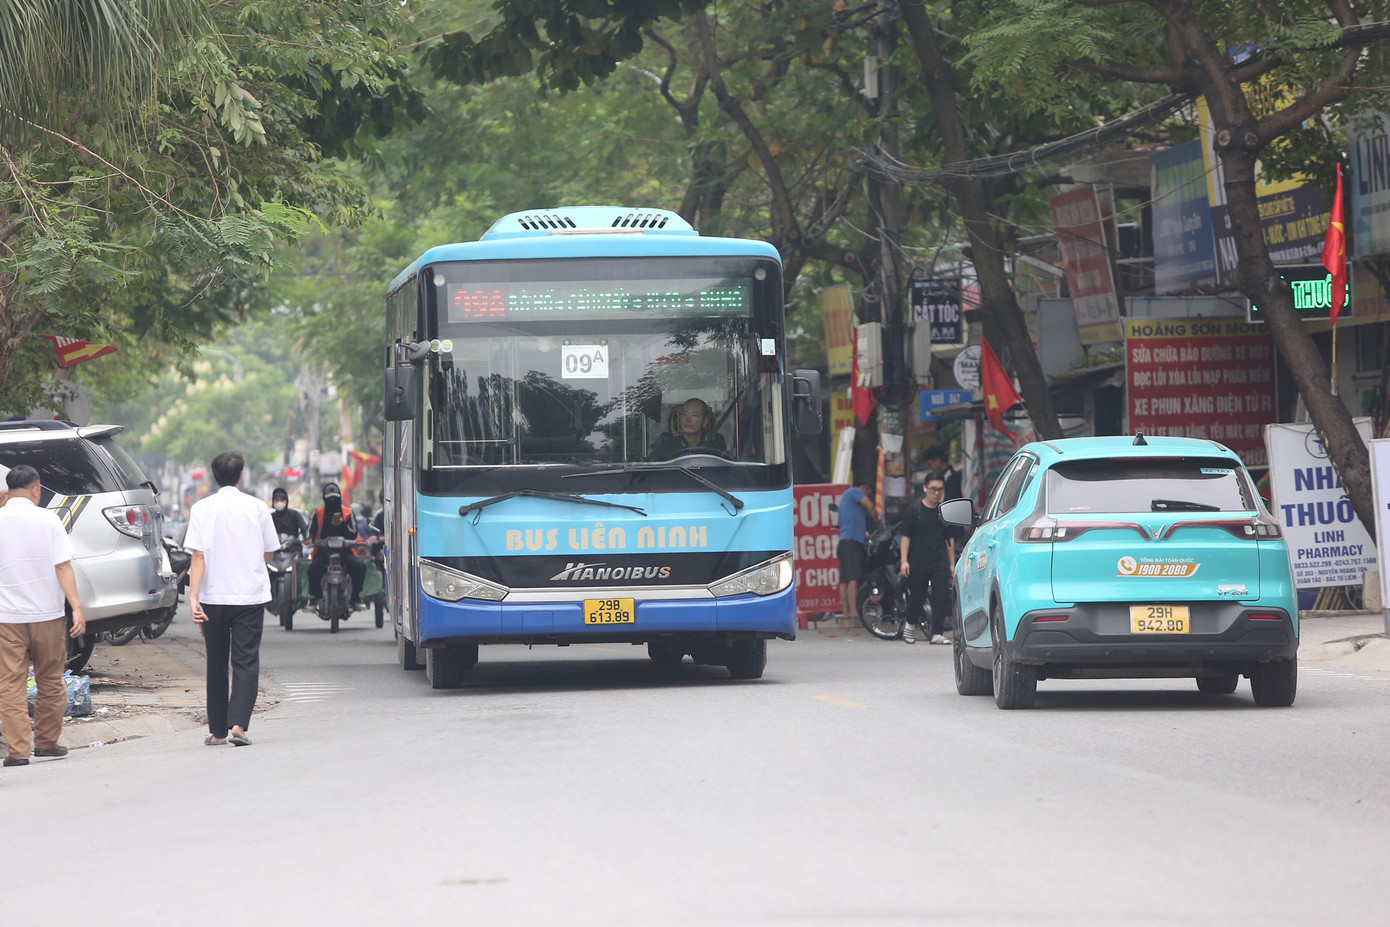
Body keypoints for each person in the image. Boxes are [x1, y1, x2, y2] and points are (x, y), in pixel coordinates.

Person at [185, 451, 279, 746]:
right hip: (249, 596)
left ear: (214, 477)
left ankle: (218, 732)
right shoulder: (257, 507)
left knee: (216, 662)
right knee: (246, 661)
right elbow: (269, 552)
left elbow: (198, 556)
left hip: (213, 598)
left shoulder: (201, 508)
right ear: (242, 476)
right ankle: (238, 725)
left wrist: (194, 598)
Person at [0, 465, 86, 767]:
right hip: (47, 616)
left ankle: (18, 750)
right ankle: (47, 743)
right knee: (50, 680)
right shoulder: (49, 520)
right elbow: (63, 567)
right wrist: (76, 607)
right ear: (35, 489)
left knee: (10, 683)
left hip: (6, 618)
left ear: (8, 491)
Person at [898, 471, 964, 645]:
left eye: (940, 490)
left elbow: (949, 540)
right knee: (917, 597)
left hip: (939, 561)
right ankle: (910, 624)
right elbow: (906, 537)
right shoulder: (914, 511)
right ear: (925, 488)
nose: (936, 493)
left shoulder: (944, 512)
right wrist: (904, 560)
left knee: (941, 596)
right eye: (933, 489)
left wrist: (952, 564)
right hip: (918, 561)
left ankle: (937, 633)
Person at [307, 481, 366, 611]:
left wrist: (342, 524)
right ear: (324, 499)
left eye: (335, 499)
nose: (332, 502)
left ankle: (356, 597)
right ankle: (314, 597)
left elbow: (353, 534)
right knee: (314, 569)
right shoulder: (317, 513)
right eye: (330, 499)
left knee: (359, 567)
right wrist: (310, 539)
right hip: (323, 552)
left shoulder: (348, 513)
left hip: (344, 551)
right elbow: (310, 531)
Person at [837, 479, 878, 625]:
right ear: (865, 489)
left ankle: (846, 614)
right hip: (851, 543)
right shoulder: (855, 492)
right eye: (867, 493)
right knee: (853, 579)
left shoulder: (849, 503)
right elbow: (870, 506)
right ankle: (854, 612)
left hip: (845, 543)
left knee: (845, 580)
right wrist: (877, 520)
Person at [649, 397, 728, 459]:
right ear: (680, 419)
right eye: (684, 414)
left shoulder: (716, 443)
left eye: (694, 415)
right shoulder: (665, 445)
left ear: (705, 421)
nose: (688, 420)